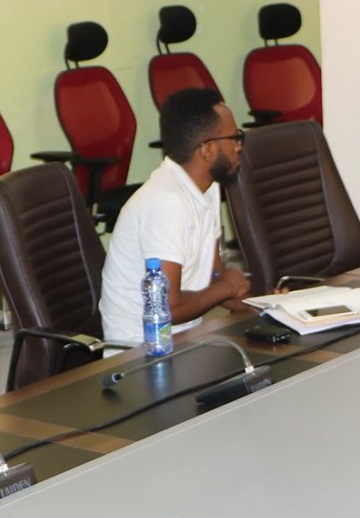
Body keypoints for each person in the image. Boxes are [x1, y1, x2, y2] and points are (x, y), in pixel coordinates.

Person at [98, 87, 253, 346]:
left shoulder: (208, 188)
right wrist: (228, 286)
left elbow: (213, 278)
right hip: (141, 351)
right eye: (234, 137)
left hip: (185, 340)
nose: (239, 146)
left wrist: (268, 306)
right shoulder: (166, 203)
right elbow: (167, 308)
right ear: (207, 150)